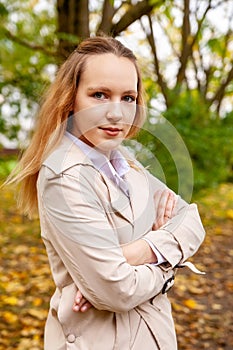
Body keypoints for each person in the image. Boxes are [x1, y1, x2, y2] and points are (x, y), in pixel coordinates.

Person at [7, 36, 205, 349]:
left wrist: (136, 252)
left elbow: (192, 220)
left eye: (128, 97)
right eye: (100, 95)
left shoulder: (126, 160)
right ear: (71, 99)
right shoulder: (64, 176)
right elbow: (117, 290)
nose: (116, 113)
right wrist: (168, 265)